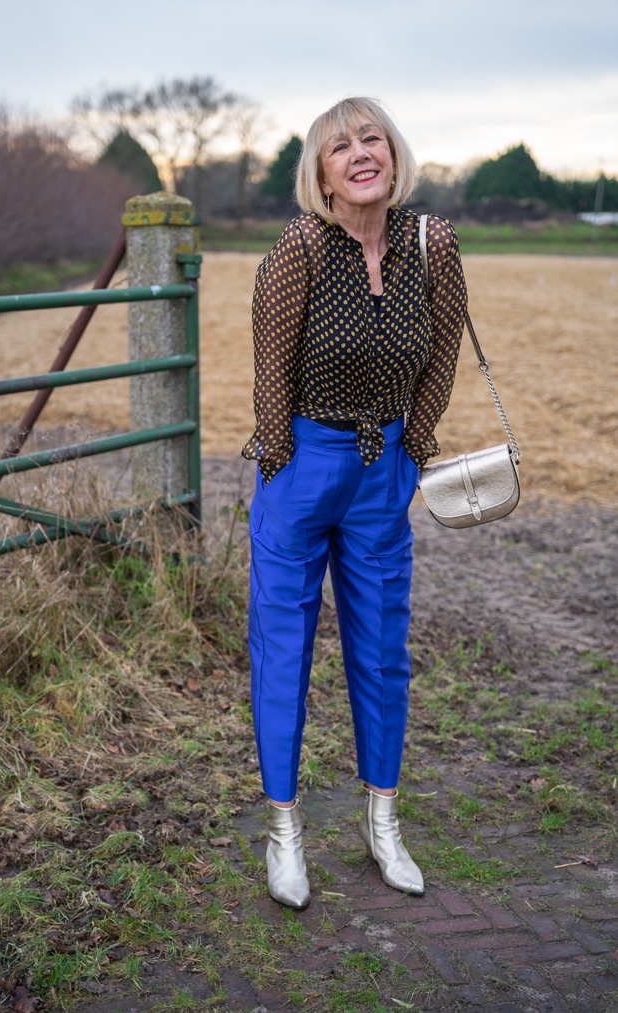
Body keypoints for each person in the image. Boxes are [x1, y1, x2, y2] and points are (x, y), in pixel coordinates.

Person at [241, 97, 467, 909]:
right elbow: (270, 365)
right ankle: (285, 832)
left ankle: (381, 824)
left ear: (393, 152)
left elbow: (443, 352)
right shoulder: (300, 247)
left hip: (383, 470)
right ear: (321, 174)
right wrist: (279, 463)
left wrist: (412, 451)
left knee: (379, 652)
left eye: (372, 138)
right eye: (341, 147)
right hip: (301, 461)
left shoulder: (428, 241)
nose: (361, 153)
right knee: (283, 653)